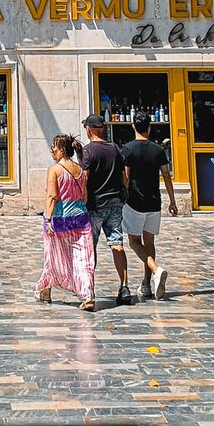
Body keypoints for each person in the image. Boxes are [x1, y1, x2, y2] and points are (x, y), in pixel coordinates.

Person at [120, 113, 178, 299]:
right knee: (150, 243)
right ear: (149, 127)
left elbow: (126, 179)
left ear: (133, 127)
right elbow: (166, 176)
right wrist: (173, 201)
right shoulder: (158, 150)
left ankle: (155, 270)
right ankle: (146, 284)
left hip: (134, 202)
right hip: (154, 202)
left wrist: (122, 195)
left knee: (134, 242)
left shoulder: (127, 149)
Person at [37, 134, 95, 310]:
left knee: (54, 256)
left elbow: (52, 196)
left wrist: (47, 219)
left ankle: (46, 289)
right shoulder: (80, 169)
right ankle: (87, 296)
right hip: (81, 219)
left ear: (62, 150)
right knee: (83, 259)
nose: (52, 152)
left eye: (53, 148)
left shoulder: (55, 170)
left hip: (59, 219)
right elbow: (84, 197)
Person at [80, 113, 132, 306]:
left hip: (94, 205)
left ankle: (89, 290)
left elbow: (84, 178)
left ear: (89, 129)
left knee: (89, 248)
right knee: (117, 243)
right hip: (115, 203)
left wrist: (82, 200)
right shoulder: (115, 148)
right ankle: (124, 286)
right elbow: (125, 175)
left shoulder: (88, 151)